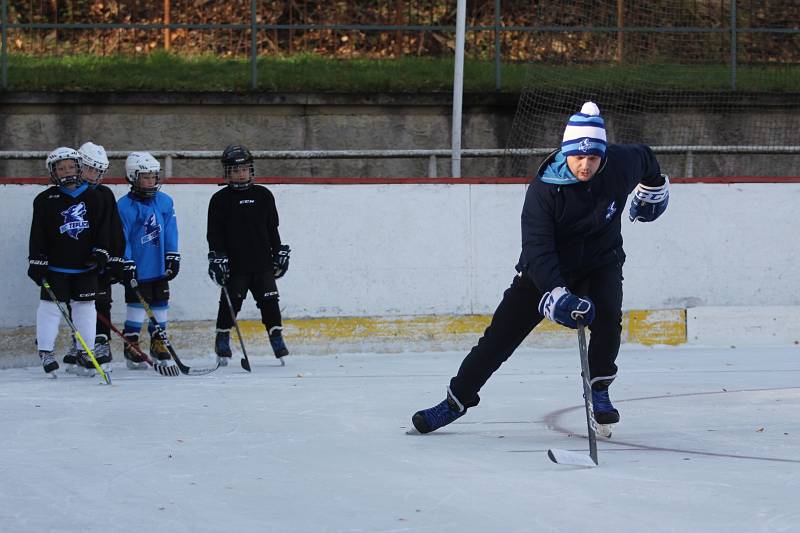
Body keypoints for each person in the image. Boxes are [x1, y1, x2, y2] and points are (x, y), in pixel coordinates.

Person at [411, 102, 669, 434]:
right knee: (498, 339)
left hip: (601, 260)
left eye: (593, 158)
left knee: (608, 319)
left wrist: (655, 187)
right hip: (544, 270)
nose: (586, 165)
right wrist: (558, 294)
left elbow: (647, 158)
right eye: (579, 157)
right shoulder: (545, 190)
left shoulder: (620, 164)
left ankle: (599, 389)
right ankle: (454, 402)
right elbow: (537, 249)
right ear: (566, 153)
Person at [28, 147, 110, 376]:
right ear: (53, 172)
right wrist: (37, 260)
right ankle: (46, 350)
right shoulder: (45, 200)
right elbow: (38, 234)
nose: (66, 171)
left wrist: (101, 253)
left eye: (71, 166)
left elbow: (103, 231)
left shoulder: (95, 197)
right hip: (55, 267)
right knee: (50, 308)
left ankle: (86, 350)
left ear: (79, 167)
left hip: (85, 266)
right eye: (61, 168)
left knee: (85, 307)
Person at [206, 145, 291, 366]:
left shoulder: (263, 195)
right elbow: (214, 234)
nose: (240, 173)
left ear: (250, 169)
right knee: (231, 302)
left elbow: (272, 229)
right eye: (235, 170)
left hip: (262, 262)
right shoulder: (220, 199)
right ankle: (222, 337)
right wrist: (216, 257)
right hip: (235, 265)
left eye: (244, 169)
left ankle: (276, 336)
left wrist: (279, 251)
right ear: (227, 172)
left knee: (270, 301)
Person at [61, 142, 125, 373]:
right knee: (77, 303)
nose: (95, 175)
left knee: (101, 300)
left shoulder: (104, 194)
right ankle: (78, 341)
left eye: (99, 171)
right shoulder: (65, 194)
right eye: (90, 169)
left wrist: (115, 258)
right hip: (74, 261)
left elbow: (114, 228)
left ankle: (100, 342)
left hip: (100, 258)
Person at [116, 152, 179, 371]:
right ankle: (131, 342)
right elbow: (122, 237)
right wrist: (127, 262)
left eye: (154, 176)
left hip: (159, 266)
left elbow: (171, 230)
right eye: (146, 177)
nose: (151, 181)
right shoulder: (124, 206)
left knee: (161, 304)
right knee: (136, 306)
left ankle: (158, 341)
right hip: (138, 268)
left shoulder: (164, 201)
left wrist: (173, 255)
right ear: (133, 177)